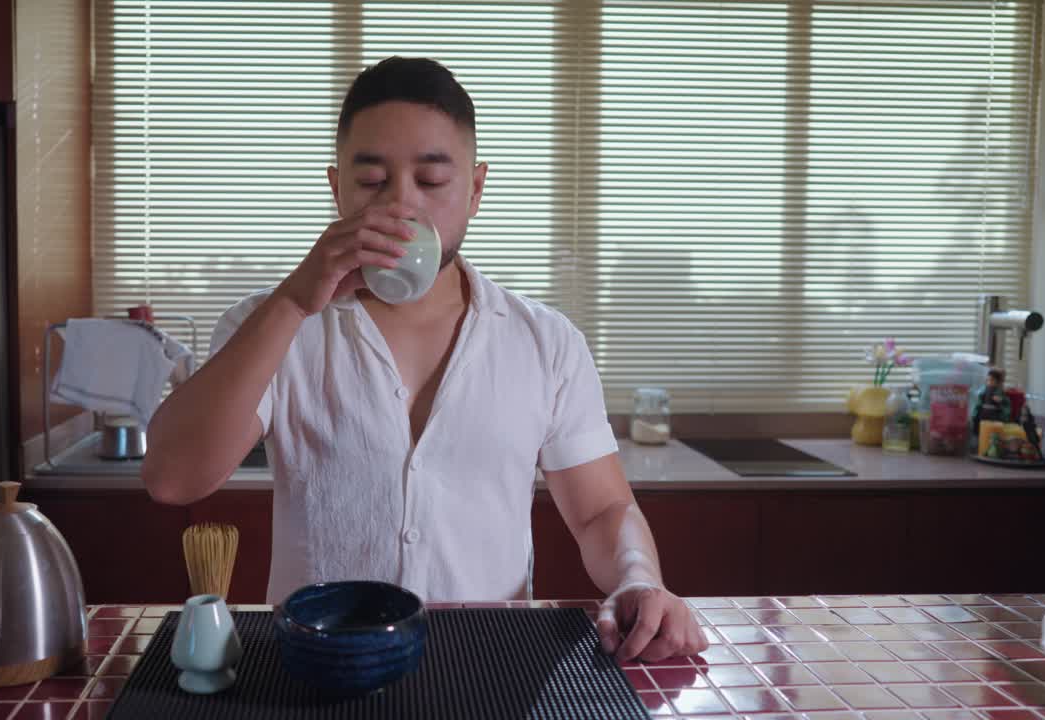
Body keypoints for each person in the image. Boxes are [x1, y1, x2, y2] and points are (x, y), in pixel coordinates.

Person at [142, 57, 707, 663]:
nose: (401, 207)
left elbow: (602, 510)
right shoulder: (271, 326)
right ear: (336, 189)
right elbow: (174, 479)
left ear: (475, 190)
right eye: (371, 182)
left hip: (488, 667)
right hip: (318, 669)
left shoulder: (546, 343)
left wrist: (638, 575)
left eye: (432, 182)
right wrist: (292, 302)